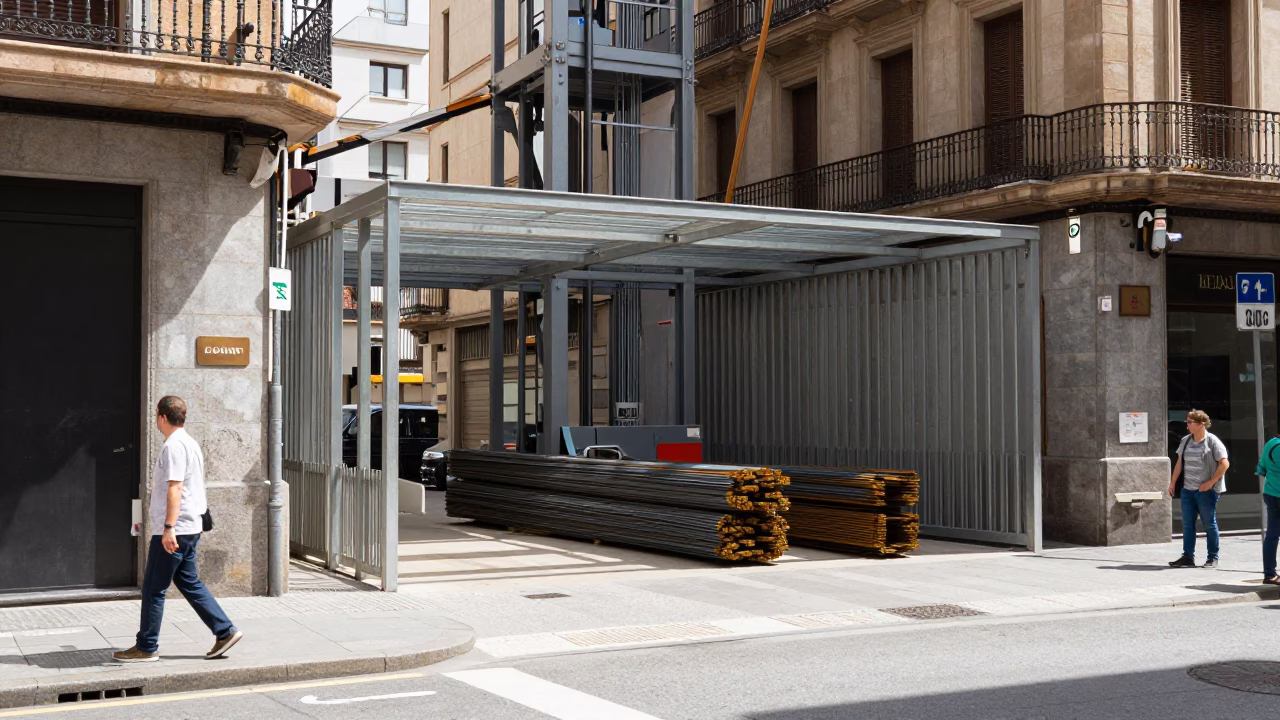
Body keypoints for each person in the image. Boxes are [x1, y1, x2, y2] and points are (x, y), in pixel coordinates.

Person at [113, 396, 243, 662]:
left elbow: (175, 488)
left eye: (155, 416)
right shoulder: (190, 443)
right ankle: (225, 630)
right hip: (189, 527)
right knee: (188, 581)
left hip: (175, 530)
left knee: (153, 589)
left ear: (162, 417)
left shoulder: (173, 447)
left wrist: (168, 528)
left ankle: (146, 647)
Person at [1167, 409, 1230, 569]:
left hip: (1206, 492)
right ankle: (1188, 557)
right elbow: (1180, 463)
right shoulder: (1186, 441)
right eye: (1186, 422)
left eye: (1189, 422)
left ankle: (1212, 557)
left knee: (1209, 523)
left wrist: (1211, 482)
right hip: (1188, 490)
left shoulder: (1212, 441)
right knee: (1188, 524)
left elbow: (1224, 464)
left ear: (1200, 424)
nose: (1186, 425)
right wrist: (1172, 482)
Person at [1255, 435, 1280, 585]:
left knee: (1272, 535)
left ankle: (1269, 574)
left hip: (1271, 493)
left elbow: (1261, 467)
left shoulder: (1271, 444)